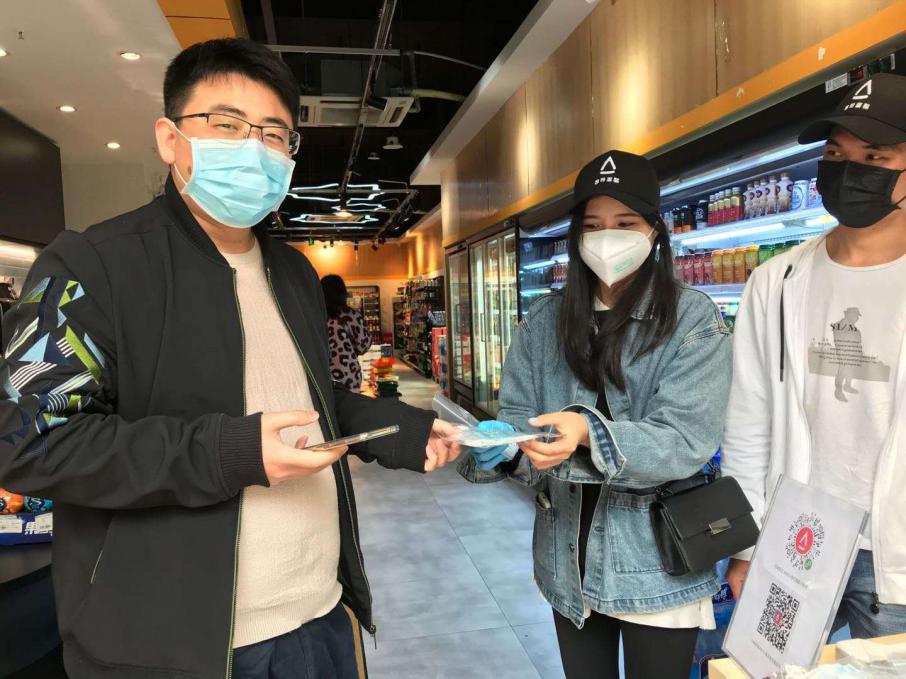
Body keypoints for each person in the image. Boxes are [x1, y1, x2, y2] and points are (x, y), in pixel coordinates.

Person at [0, 38, 459, 679]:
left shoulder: (293, 273)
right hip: (166, 648)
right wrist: (226, 453)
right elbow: (30, 441)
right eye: (227, 124)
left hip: (318, 615)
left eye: (274, 133)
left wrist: (403, 431)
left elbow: (309, 399)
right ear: (169, 138)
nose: (254, 148)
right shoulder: (90, 266)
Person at [458, 151, 732, 679]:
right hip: (567, 561)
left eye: (624, 223)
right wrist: (504, 449)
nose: (607, 238)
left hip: (657, 566)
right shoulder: (545, 322)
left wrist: (587, 431)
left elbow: (685, 440)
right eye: (592, 225)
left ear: (654, 230)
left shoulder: (692, 320)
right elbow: (523, 425)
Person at [723, 72, 906, 637]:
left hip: (896, 554)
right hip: (795, 541)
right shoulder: (776, 281)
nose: (849, 171)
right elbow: (748, 420)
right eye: (835, 154)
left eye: (874, 156)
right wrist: (745, 544)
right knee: (767, 670)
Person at [321, 275, 372, 391]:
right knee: (351, 402)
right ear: (343, 293)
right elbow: (364, 346)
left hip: (324, 377)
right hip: (349, 375)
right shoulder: (353, 316)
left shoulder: (317, 317)